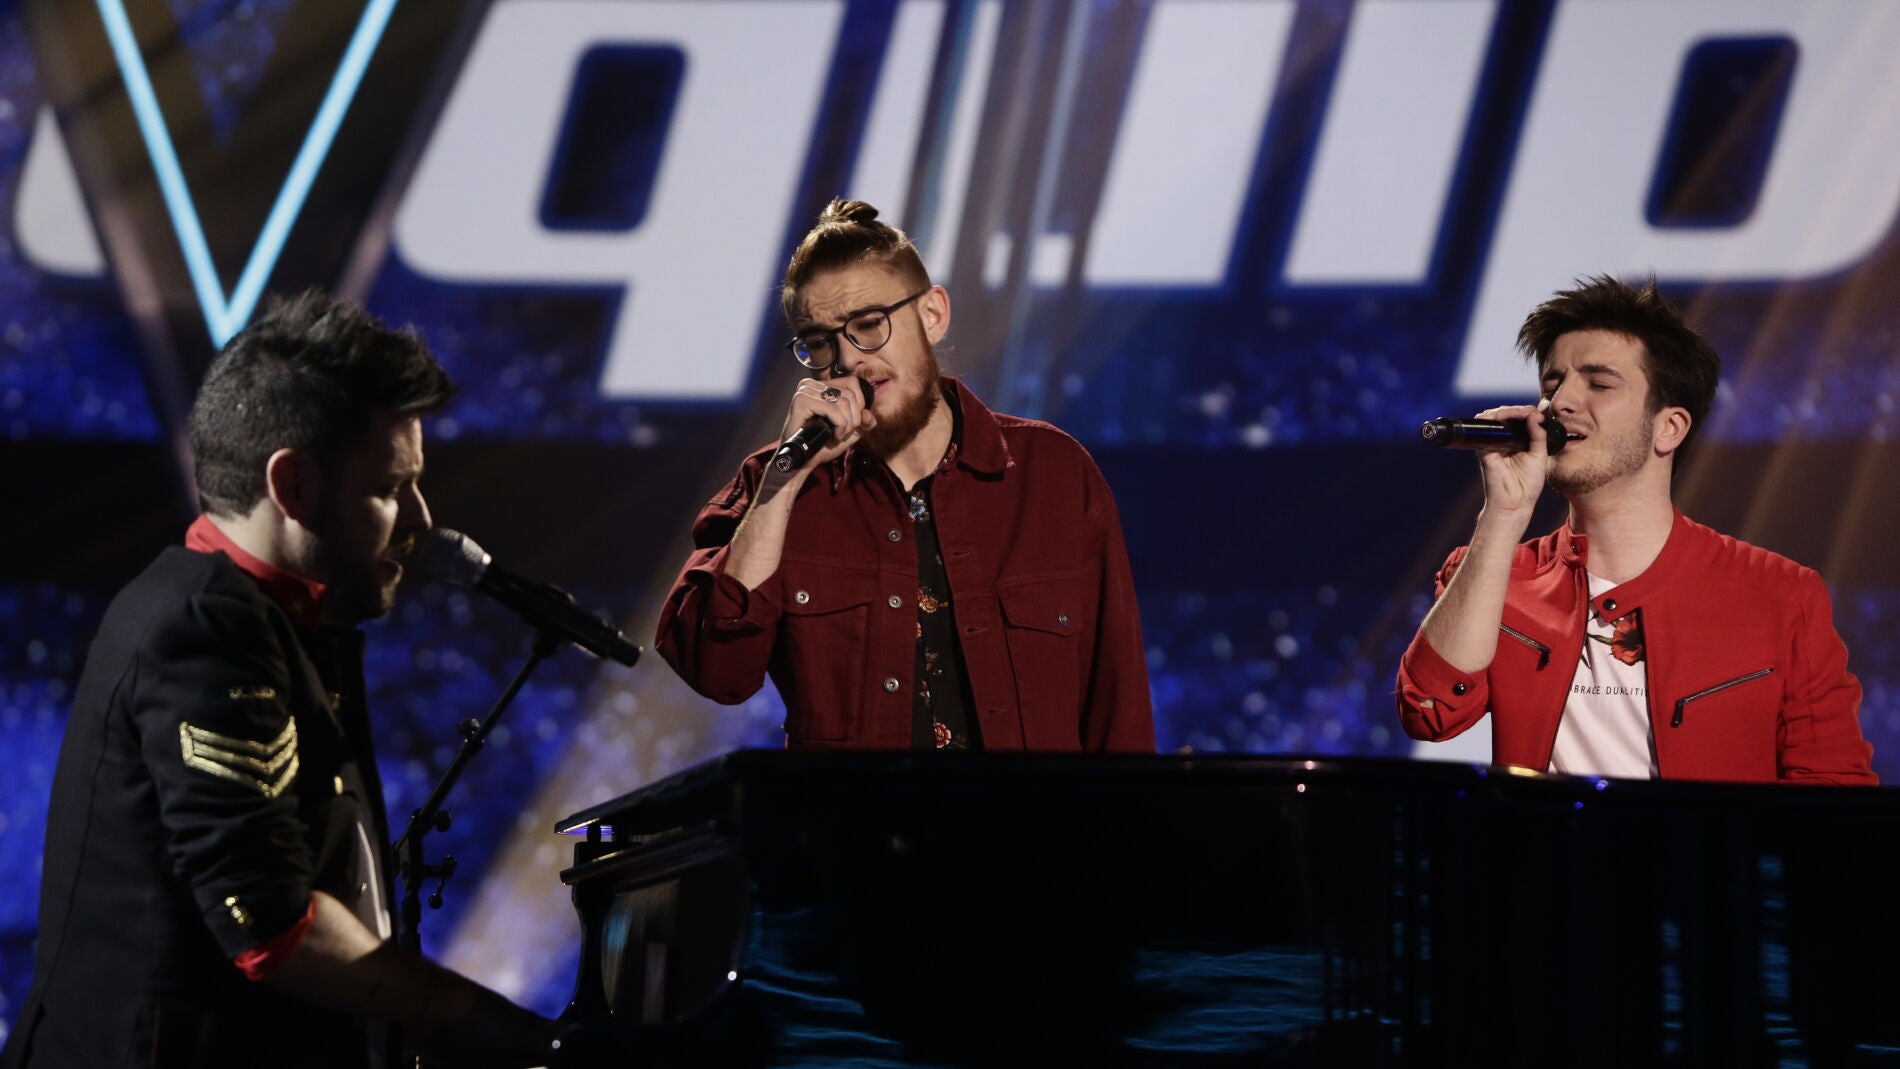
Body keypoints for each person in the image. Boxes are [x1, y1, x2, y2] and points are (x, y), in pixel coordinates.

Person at [3, 293, 556, 1068]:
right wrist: (479, 1018)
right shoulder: (205, 628)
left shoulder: (274, 620)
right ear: (292, 486)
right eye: (392, 488)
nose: (422, 521)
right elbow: (271, 925)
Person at [655, 199, 1154, 751]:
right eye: (820, 342)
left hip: (1026, 836)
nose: (849, 360)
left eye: (869, 325)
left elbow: (1119, 708)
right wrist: (783, 485)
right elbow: (714, 670)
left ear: (933, 314)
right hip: (858, 835)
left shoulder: (1053, 474)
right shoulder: (772, 483)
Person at [1396, 275, 1875, 783]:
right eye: (1552, 384)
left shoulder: (1780, 595)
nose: (1561, 403)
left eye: (1599, 384)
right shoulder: (1496, 575)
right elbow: (1429, 712)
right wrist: (1503, 516)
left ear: (1669, 428)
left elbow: (1833, 787)